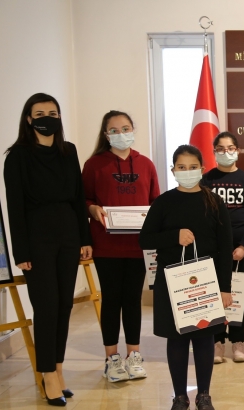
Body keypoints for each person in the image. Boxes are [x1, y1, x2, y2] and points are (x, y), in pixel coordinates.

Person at [4, 93, 92, 406]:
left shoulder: (69, 151)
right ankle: (47, 375)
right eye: (39, 113)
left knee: (64, 305)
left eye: (52, 113)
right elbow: (15, 206)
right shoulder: (17, 156)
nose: (47, 118)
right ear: (29, 119)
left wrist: (84, 238)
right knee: (46, 306)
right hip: (37, 238)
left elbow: (78, 197)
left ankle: (58, 368)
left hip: (68, 234)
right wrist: (21, 252)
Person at [139, 145, 233, 410]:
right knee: (177, 338)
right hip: (172, 283)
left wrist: (225, 288)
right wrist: (174, 236)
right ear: (173, 170)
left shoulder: (214, 202)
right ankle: (180, 396)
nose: (187, 171)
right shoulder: (164, 202)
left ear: (202, 169)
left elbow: (225, 247)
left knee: (204, 338)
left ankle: (204, 395)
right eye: (182, 167)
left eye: (193, 167)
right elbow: (145, 239)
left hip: (206, 282)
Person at [82, 110, 160, 383]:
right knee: (111, 300)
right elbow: (84, 199)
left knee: (133, 300)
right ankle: (112, 359)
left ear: (133, 130)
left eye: (125, 128)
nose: (120, 134)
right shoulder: (94, 164)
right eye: (114, 130)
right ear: (106, 135)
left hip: (138, 246)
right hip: (106, 245)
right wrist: (92, 209)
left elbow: (156, 202)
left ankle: (134, 355)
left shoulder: (146, 164)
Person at [200, 132, 244, 364]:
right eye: (221, 148)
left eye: (230, 148)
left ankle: (237, 339)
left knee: (238, 294)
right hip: (214, 250)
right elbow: (202, 215)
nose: (226, 152)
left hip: (242, 249)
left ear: (238, 151)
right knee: (215, 294)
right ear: (214, 151)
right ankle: (217, 341)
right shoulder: (206, 180)